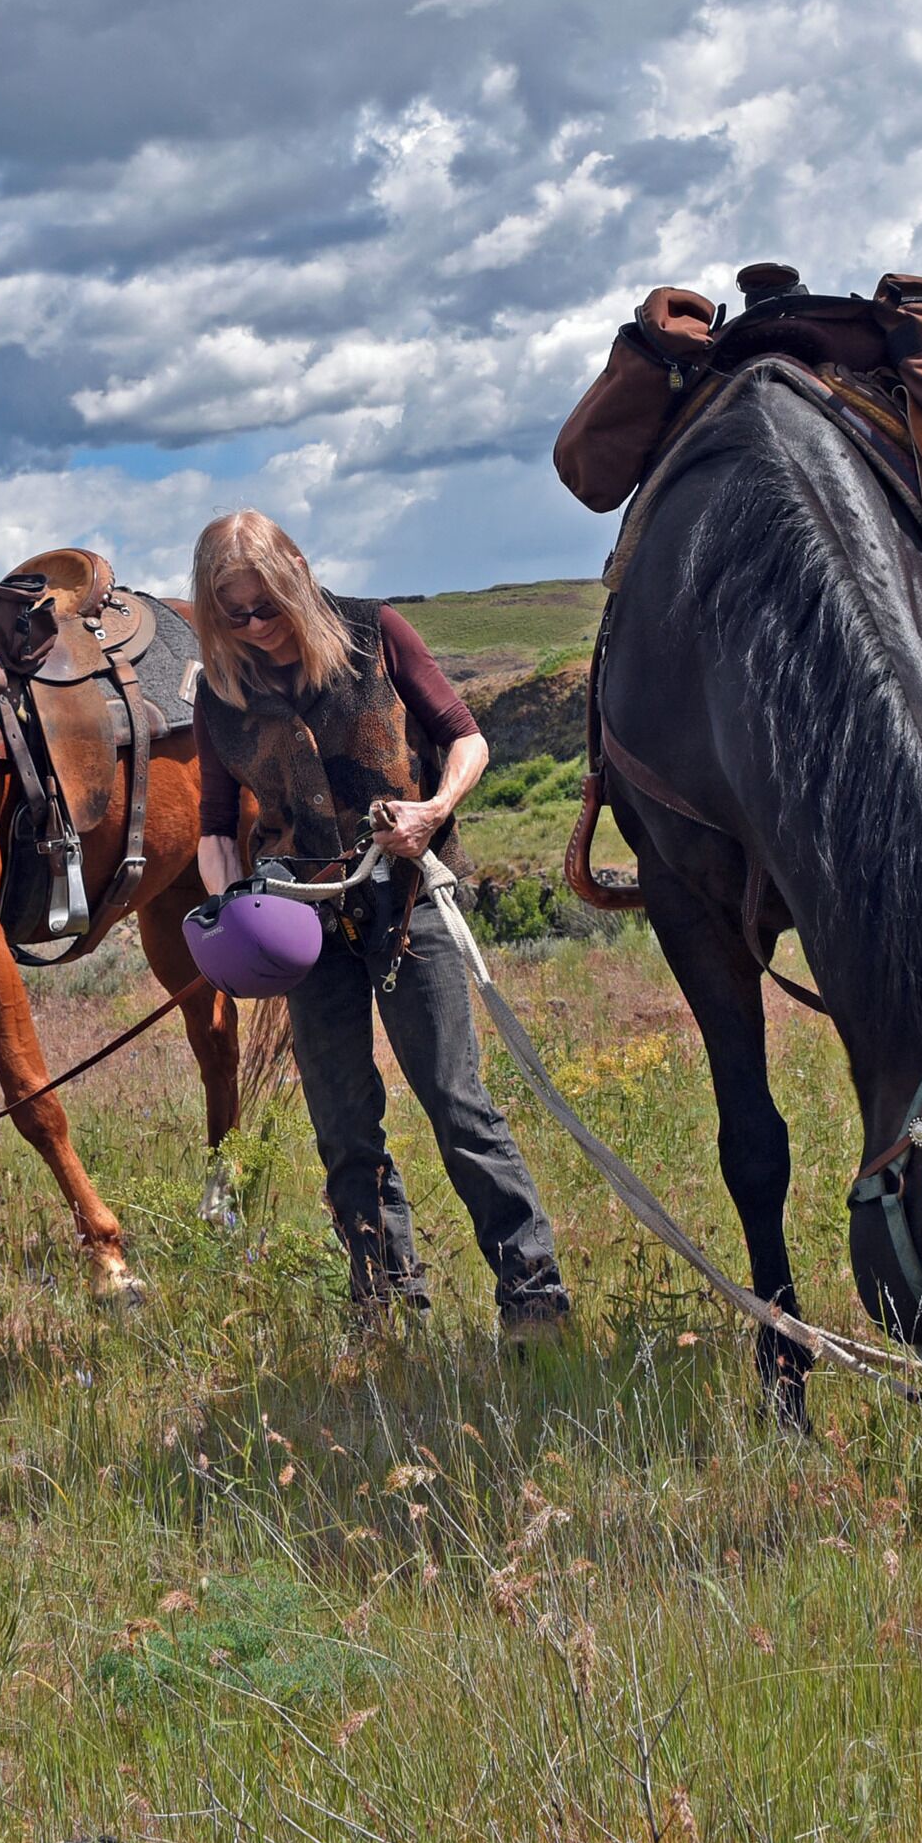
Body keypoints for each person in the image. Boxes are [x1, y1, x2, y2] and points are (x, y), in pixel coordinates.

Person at [188, 511, 571, 1332]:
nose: (255, 626)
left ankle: (534, 1295)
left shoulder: (375, 631)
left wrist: (433, 810)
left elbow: (466, 738)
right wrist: (228, 915)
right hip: (300, 925)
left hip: (404, 905)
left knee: (455, 1102)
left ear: (295, 574)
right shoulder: (220, 693)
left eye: (265, 605)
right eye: (233, 613)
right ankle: (388, 1306)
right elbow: (217, 830)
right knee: (342, 1125)